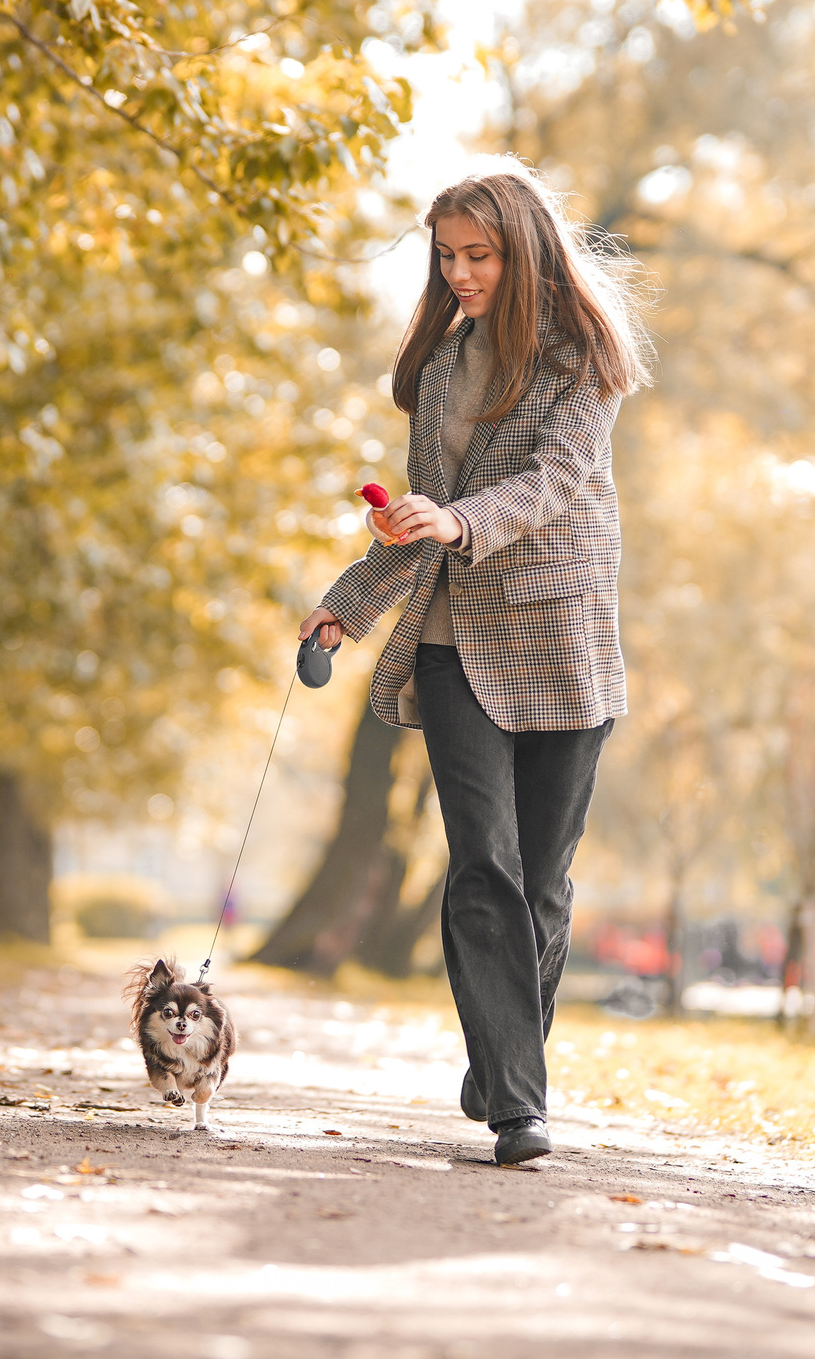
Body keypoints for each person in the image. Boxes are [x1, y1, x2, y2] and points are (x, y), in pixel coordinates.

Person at [298, 162, 644, 1166]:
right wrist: (349, 606)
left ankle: (501, 1053)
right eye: (445, 256)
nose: (458, 273)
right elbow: (418, 519)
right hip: (454, 648)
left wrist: (459, 518)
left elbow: (557, 481)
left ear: (523, 247)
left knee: (541, 882)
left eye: (476, 255)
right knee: (482, 868)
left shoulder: (583, 358)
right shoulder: (440, 369)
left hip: (562, 643)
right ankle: (516, 1107)